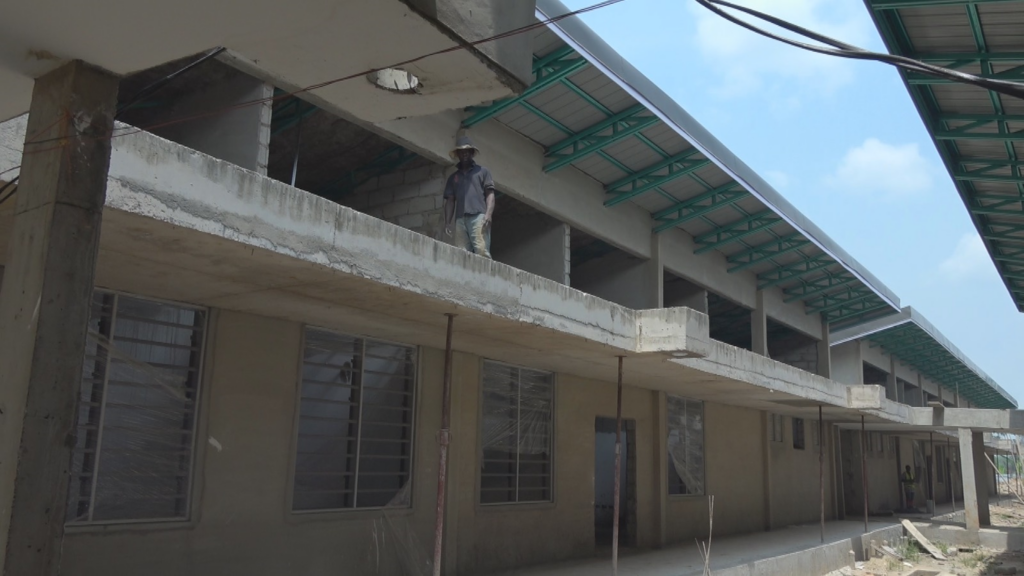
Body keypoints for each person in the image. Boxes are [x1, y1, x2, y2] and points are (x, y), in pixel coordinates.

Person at [443, 136, 496, 258]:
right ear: (458, 154)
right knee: (461, 254)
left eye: (467, 151)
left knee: (482, 251)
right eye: (461, 151)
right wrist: (447, 222)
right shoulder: (453, 178)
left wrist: (488, 214)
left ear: (472, 153)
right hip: (460, 219)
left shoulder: (483, 172)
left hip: (479, 217)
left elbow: (490, 194)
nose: (464, 154)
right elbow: (450, 200)